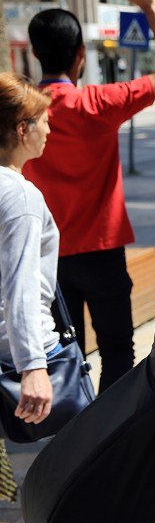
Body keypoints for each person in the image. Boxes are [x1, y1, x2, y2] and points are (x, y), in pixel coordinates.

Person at [24, 0, 155, 393]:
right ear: (80, 55)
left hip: (46, 254)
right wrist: (149, 4)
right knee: (117, 348)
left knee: (62, 352)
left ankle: (70, 437)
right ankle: (107, 437)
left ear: (35, 55)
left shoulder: (20, 111)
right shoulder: (97, 103)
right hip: (101, 250)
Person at [0, 74, 56, 432]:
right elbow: (20, 288)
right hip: (22, 355)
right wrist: (34, 367)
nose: (49, 131)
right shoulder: (21, 197)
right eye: (45, 123)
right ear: (23, 129)